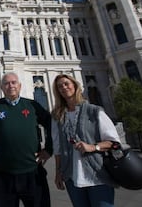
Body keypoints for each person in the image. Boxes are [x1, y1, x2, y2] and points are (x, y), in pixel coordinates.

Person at [0, 72, 53, 207]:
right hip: (2, 174)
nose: (11, 86)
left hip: (32, 172)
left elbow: (51, 124)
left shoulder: (32, 106)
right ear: (2, 88)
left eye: (14, 82)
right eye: (6, 83)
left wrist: (49, 149)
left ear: (20, 86)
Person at [51, 74, 120, 207]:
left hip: (97, 175)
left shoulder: (94, 111)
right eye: (60, 86)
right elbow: (57, 147)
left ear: (75, 85)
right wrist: (58, 172)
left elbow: (114, 142)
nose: (64, 88)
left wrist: (93, 147)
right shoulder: (57, 116)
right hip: (72, 177)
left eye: (66, 83)